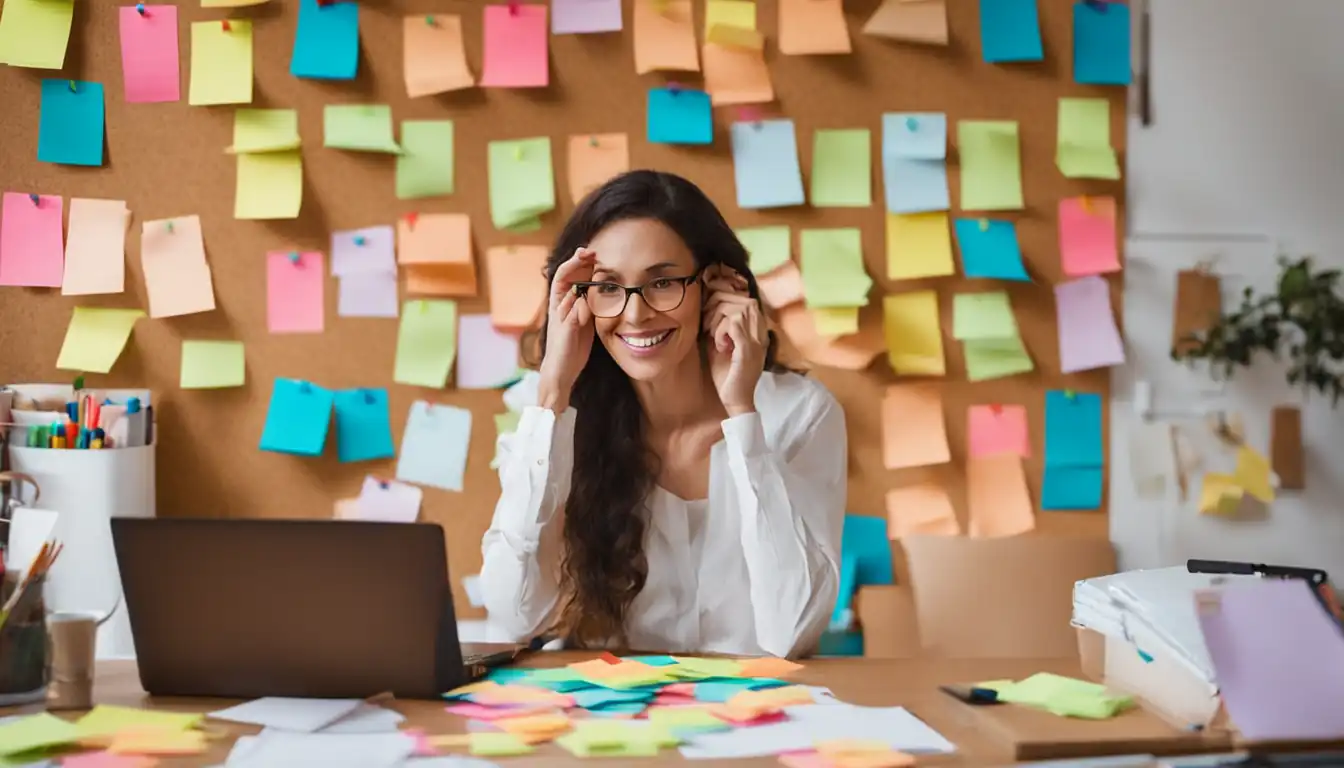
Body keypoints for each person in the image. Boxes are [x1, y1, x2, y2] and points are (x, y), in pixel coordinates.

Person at [479, 170, 847, 658]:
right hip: (612, 717)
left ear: (718, 287)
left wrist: (742, 414)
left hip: (755, 716)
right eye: (607, 287)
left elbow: (792, 632)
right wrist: (552, 395)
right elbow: (515, 617)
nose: (635, 315)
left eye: (664, 282)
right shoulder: (549, 411)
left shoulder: (798, 414)